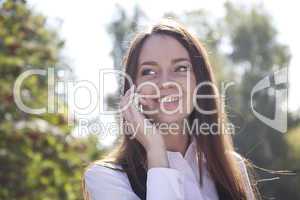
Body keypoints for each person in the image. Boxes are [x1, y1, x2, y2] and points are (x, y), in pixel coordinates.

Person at [82, 19, 258, 200]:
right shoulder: (106, 178)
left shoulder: (232, 170)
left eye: (181, 68)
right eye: (149, 71)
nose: (166, 82)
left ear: (199, 81)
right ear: (132, 89)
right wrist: (156, 151)